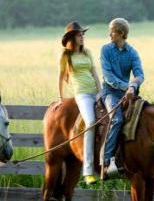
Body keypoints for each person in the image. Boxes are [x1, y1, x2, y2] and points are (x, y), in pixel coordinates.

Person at [54, 21, 101, 185]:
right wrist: (60, 97)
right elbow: (61, 77)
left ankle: (109, 163)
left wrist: (100, 91)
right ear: (73, 38)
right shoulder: (66, 56)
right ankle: (88, 171)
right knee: (91, 122)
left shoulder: (87, 52)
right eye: (80, 35)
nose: (83, 37)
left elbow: (94, 72)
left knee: (111, 119)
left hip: (95, 92)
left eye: (83, 34)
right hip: (82, 94)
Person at [100, 18, 144, 175]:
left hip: (128, 93)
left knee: (143, 116)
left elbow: (139, 74)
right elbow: (108, 77)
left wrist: (133, 86)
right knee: (117, 119)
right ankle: (106, 162)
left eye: (112, 31)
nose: (109, 34)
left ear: (121, 33)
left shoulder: (132, 53)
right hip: (110, 92)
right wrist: (129, 87)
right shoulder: (105, 50)